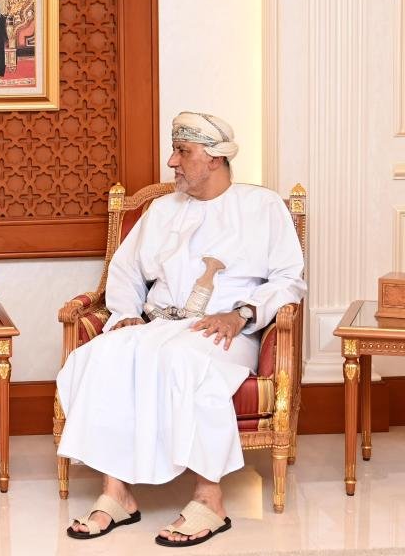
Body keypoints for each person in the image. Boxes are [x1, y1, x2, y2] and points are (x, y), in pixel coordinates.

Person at [54, 112, 306, 548]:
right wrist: (125, 313)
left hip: (226, 332)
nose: (172, 161)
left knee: (187, 362)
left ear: (215, 158)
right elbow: (125, 270)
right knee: (101, 355)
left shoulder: (263, 207)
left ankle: (210, 500)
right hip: (159, 325)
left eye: (182, 152)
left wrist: (242, 314)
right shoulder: (161, 209)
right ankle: (116, 493)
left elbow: (289, 280)